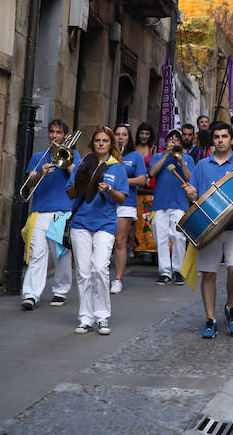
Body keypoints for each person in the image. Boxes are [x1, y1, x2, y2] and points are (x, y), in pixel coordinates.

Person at [182, 122, 233, 338]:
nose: (221, 140)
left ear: (232, 140)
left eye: (225, 136)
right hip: (209, 228)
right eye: (217, 137)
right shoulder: (202, 166)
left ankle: (231, 307)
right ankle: (210, 319)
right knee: (208, 274)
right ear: (212, 140)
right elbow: (195, 196)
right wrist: (191, 194)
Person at [68, 126, 129, 334]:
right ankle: (85, 317)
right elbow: (70, 193)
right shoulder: (83, 164)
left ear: (111, 144)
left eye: (104, 141)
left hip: (105, 223)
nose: (101, 144)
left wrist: (109, 189)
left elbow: (122, 198)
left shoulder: (117, 168)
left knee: (100, 268)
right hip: (81, 223)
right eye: (97, 141)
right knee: (84, 272)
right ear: (92, 143)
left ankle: (102, 316)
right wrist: (82, 184)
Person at [20, 119, 81, 310]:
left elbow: (79, 178)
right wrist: (40, 173)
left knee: (60, 254)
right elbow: (29, 182)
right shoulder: (39, 156)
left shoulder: (73, 155)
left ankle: (60, 291)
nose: (55, 135)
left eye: (59, 132)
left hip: (62, 212)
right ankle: (31, 294)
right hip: (39, 211)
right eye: (52, 131)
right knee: (36, 254)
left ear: (65, 136)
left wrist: (66, 161)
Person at [148, 129, 195, 285]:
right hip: (160, 204)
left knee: (179, 237)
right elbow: (152, 172)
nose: (174, 141)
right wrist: (166, 155)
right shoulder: (157, 156)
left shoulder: (188, 158)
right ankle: (164, 271)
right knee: (160, 238)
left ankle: (178, 270)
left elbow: (190, 178)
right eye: (171, 139)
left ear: (181, 143)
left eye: (177, 139)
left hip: (179, 204)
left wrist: (181, 161)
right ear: (166, 142)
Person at [110, 124, 147, 294]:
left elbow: (141, 179)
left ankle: (118, 279)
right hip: (106, 201)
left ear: (128, 138)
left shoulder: (135, 156)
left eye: (124, 134)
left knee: (120, 241)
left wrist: (122, 181)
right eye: (117, 134)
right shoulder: (108, 154)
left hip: (125, 202)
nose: (120, 137)